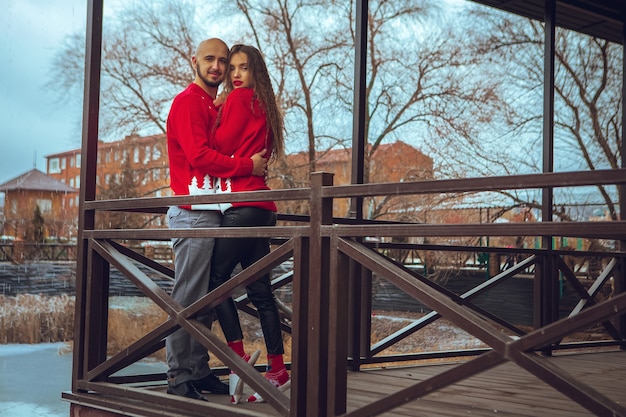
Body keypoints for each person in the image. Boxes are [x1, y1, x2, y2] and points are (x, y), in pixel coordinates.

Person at [165, 38, 268, 402]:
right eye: (210, 59)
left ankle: (199, 370)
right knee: (189, 297)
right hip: (192, 214)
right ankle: (178, 377)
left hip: (214, 213)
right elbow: (200, 157)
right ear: (194, 60)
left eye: (223, 61)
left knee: (207, 296)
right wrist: (248, 167)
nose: (217, 67)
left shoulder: (212, 103)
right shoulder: (188, 102)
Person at [207, 44, 288, 404]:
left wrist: (216, 112)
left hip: (242, 203)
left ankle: (237, 357)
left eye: (244, 68)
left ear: (256, 73)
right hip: (263, 206)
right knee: (260, 292)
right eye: (233, 68)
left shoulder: (240, 100)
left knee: (215, 280)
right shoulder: (266, 106)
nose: (236, 74)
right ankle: (277, 369)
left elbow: (217, 145)